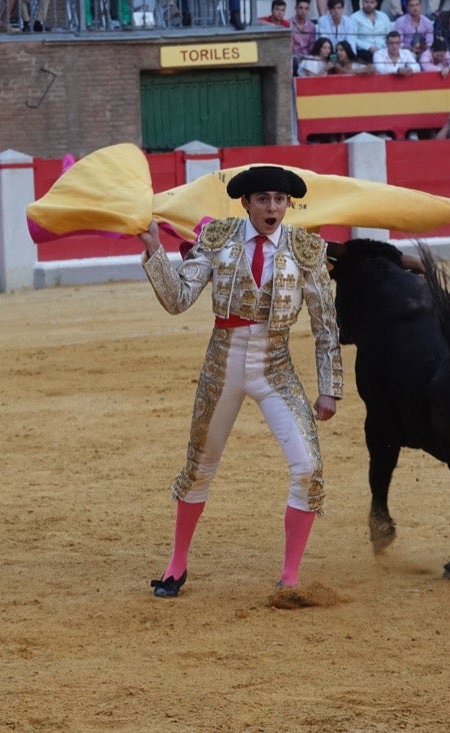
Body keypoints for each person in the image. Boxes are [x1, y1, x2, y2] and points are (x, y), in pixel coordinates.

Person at [137, 165, 343, 599]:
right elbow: (177, 300)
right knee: (199, 468)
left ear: (289, 204)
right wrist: (156, 253)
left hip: (276, 366)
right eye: (263, 199)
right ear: (246, 203)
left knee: (308, 468)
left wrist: (330, 386)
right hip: (223, 365)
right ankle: (177, 565)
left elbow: (326, 325)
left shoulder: (305, 248)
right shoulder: (218, 240)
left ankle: (289, 576)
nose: (273, 207)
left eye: (280, 200)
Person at [291, 0, 318, 73]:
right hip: (293, 57)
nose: (303, 11)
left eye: (306, 9)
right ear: (296, 8)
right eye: (301, 8)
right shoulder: (289, 24)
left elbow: (312, 46)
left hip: (307, 58)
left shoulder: (311, 26)